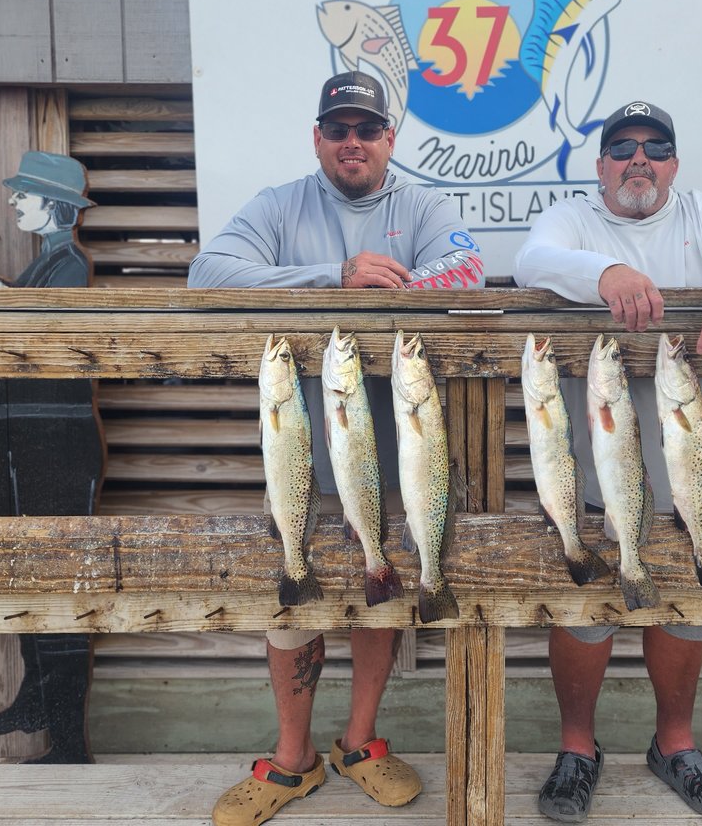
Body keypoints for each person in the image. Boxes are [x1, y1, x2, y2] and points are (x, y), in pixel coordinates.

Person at [189, 70, 484, 826]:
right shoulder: (278, 205)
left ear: (391, 138)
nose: (352, 143)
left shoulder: (421, 204)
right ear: (317, 138)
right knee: (291, 607)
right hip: (299, 459)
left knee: (374, 592)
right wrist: (335, 279)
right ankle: (292, 760)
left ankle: (360, 743)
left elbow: (465, 272)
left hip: (402, 457)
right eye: (337, 129)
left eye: (366, 130)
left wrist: (395, 292)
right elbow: (209, 273)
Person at [513, 100, 702, 822]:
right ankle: (577, 749)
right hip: (592, 488)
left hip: (697, 486)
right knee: (585, 617)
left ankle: (673, 744)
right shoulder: (574, 221)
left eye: (654, 146)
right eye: (621, 148)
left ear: (673, 163)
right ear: (600, 165)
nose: (637, 159)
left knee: (688, 615)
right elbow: (532, 260)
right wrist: (606, 272)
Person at [0, 151, 105, 764]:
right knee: (29, 575)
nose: (13, 201)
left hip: (57, 450)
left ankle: (67, 739)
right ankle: (37, 701)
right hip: (22, 446)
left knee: (57, 582)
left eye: (23, 194)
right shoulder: (43, 265)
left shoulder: (69, 266)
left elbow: (39, 329)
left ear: (56, 205)